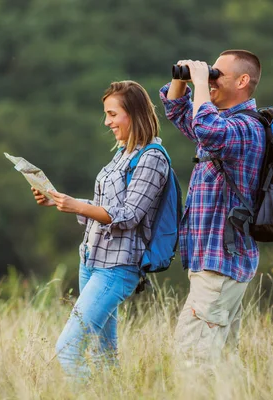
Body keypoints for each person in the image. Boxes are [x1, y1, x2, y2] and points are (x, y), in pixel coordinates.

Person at [32, 80, 170, 378]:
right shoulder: (124, 152)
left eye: (112, 114)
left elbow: (130, 215)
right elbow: (105, 206)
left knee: (68, 351)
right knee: (104, 354)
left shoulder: (152, 159)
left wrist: (77, 206)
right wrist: (59, 200)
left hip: (117, 268)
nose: (106, 122)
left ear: (133, 114)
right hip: (92, 261)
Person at [159, 50, 265, 362]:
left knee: (192, 357)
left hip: (221, 262)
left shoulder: (246, 128)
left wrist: (203, 81)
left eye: (219, 74)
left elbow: (206, 127)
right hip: (214, 261)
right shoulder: (226, 125)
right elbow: (179, 111)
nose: (212, 79)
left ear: (243, 81)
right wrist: (183, 78)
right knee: (221, 364)